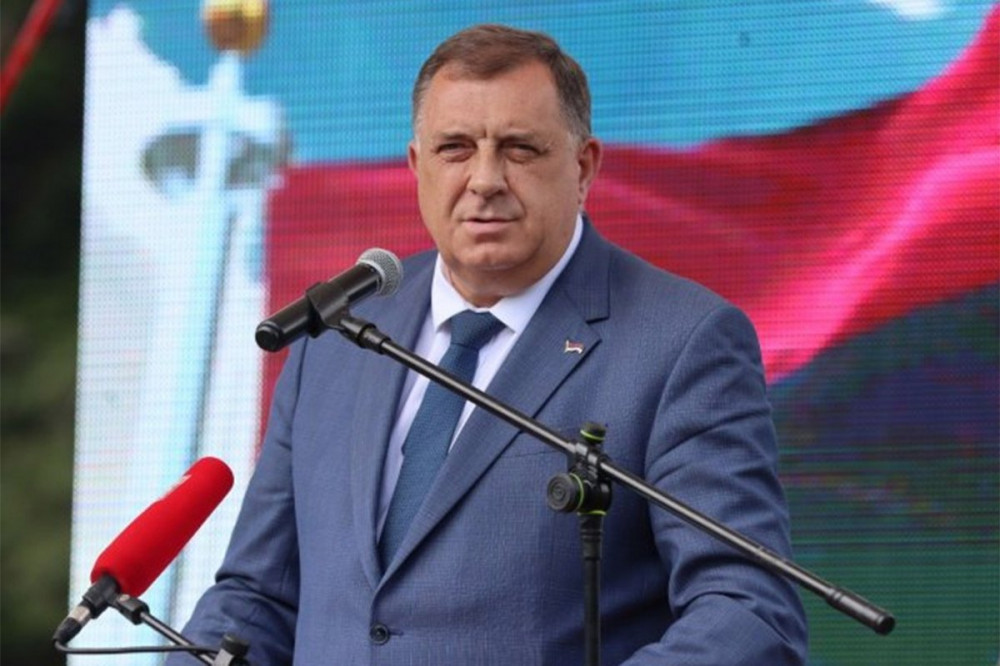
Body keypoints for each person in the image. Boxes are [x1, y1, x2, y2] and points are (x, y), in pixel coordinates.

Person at [170, 24, 808, 665]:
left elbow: (748, 613)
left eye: (519, 149)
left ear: (583, 167)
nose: (484, 179)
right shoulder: (337, 335)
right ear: (417, 166)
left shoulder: (682, 343)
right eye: (455, 148)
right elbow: (258, 598)